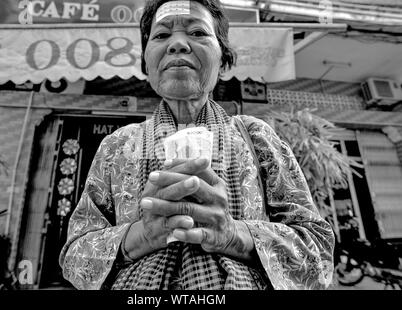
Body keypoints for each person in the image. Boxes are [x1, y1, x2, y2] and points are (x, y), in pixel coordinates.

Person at [59, 0, 335, 290]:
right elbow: (74, 257)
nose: (178, 44)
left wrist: (232, 235)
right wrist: (144, 234)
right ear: (146, 61)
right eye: (162, 35)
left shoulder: (257, 137)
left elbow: (317, 252)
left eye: (198, 33)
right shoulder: (117, 146)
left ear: (222, 57)